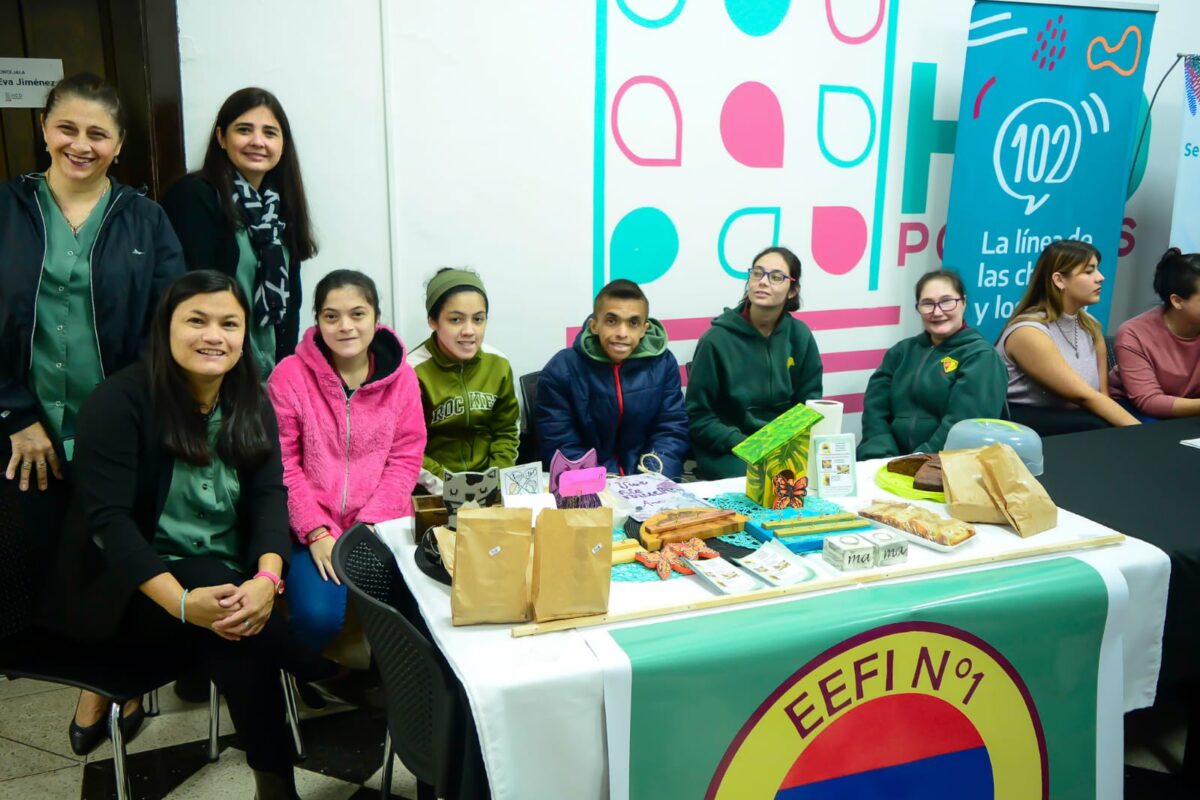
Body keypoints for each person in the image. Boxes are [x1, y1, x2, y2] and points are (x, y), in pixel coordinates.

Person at [40, 271, 333, 798]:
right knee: (227, 608)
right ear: (166, 327)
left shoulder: (250, 399)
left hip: (227, 587)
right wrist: (181, 603)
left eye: (228, 323)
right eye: (196, 320)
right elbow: (109, 525)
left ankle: (277, 781)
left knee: (231, 618)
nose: (212, 335)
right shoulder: (119, 402)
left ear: (245, 334)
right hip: (128, 593)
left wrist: (269, 578)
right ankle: (308, 680)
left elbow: (270, 495)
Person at [0, 72, 183, 752]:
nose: (81, 144)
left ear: (119, 145)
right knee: (37, 569)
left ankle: (108, 690)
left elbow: (169, 330)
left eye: (97, 133)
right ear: (45, 129)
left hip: (119, 431)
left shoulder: (144, 219)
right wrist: (14, 413)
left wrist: (130, 421)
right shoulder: (8, 209)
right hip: (28, 433)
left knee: (114, 562)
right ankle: (92, 679)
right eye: (68, 128)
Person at [268, 270, 426, 650]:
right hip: (310, 528)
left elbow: (405, 458)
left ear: (376, 318)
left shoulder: (402, 378)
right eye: (331, 316)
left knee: (420, 608)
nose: (346, 327)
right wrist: (316, 531)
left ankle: (390, 684)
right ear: (318, 321)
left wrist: (370, 524)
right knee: (318, 618)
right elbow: (283, 463)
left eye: (357, 314)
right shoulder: (289, 376)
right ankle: (313, 676)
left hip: (379, 524)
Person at [162, 87, 317, 378]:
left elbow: (290, 304)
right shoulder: (194, 197)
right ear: (221, 137)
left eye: (270, 133)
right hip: (212, 370)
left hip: (269, 373)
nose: (258, 141)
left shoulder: (281, 207)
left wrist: (284, 375)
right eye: (244, 130)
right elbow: (191, 295)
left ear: (283, 144)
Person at [686, 246, 823, 478]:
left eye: (776, 277)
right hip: (730, 449)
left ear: (792, 290)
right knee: (761, 481)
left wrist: (774, 444)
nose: (763, 281)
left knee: (819, 478)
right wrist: (746, 444)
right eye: (757, 273)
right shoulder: (715, 340)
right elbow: (699, 416)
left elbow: (808, 406)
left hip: (783, 446)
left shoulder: (800, 336)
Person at [537, 279, 689, 479]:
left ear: (644, 329)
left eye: (633, 323)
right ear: (594, 325)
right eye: (611, 321)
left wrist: (650, 479)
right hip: (589, 489)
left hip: (648, 484)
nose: (622, 333)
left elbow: (671, 429)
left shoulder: (663, 363)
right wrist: (604, 483)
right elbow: (560, 443)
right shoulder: (561, 369)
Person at [859, 270, 1007, 458]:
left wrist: (918, 461)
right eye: (927, 304)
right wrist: (881, 456)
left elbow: (963, 427)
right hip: (886, 463)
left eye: (946, 301)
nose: (937, 312)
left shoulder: (981, 357)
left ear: (963, 302)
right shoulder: (901, 352)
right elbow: (875, 413)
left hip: (943, 466)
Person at [996, 240, 1138, 435]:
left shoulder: (1090, 324)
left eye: (1097, 269)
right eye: (1089, 271)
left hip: (1079, 421)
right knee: (1098, 426)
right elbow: (1084, 396)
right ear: (1059, 280)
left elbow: (1103, 395)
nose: (1101, 277)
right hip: (1025, 426)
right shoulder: (1028, 332)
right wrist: (1142, 435)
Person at [408, 268, 519, 492]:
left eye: (478, 319)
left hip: (491, 488)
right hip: (433, 491)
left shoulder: (499, 364)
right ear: (433, 320)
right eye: (456, 319)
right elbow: (409, 447)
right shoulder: (411, 372)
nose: (469, 331)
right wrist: (451, 487)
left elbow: (506, 432)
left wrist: (494, 481)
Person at [1108, 248, 1200, 419]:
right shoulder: (1134, 333)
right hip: (1133, 407)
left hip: (1191, 407)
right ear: (1177, 301)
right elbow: (1150, 402)